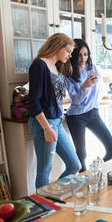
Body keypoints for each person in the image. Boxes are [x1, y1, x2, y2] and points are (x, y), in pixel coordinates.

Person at [28, 33, 80, 188]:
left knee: (74, 165)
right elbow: (34, 101)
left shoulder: (56, 66)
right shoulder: (39, 65)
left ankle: (53, 194)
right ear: (58, 46)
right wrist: (46, 127)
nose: (70, 55)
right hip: (45, 123)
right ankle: (43, 208)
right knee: (45, 169)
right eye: (68, 51)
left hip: (56, 122)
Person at [65, 39, 112, 172]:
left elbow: (101, 83)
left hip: (93, 113)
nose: (83, 58)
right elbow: (76, 101)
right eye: (79, 55)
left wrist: (103, 92)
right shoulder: (69, 75)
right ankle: (85, 183)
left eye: (85, 54)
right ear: (73, 56)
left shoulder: (92, 68)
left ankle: (95, 170)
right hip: (76, 116)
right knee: (81, 156)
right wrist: (84, 87)